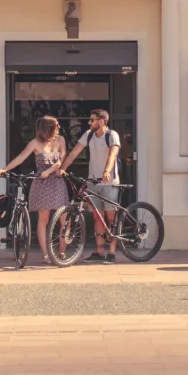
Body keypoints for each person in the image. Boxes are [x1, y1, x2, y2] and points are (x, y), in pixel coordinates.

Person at [0, 115, 69, 265]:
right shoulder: (35, 143)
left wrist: (50, 171)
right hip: (41, 183)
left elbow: (62, 160)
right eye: (57, 126)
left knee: (65, 219)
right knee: (44, 220)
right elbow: (21, 157)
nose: (59, 128)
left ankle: (61, 252)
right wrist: (4, 169)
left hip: (57, 182)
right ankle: (46, 255)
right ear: (49, 128)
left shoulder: (60, 140)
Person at [61, 109, 121, 263]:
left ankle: (112, 253)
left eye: (92, 120)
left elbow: (112, 155)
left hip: (109, 182)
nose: (89, 122)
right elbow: (74, 152)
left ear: (101, 121)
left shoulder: (112, 135)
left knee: (111, 217)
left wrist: (107, 171)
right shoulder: (89, 134)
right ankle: (99, 251)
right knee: (97, 217)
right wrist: (63, 168)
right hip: (92, 182)